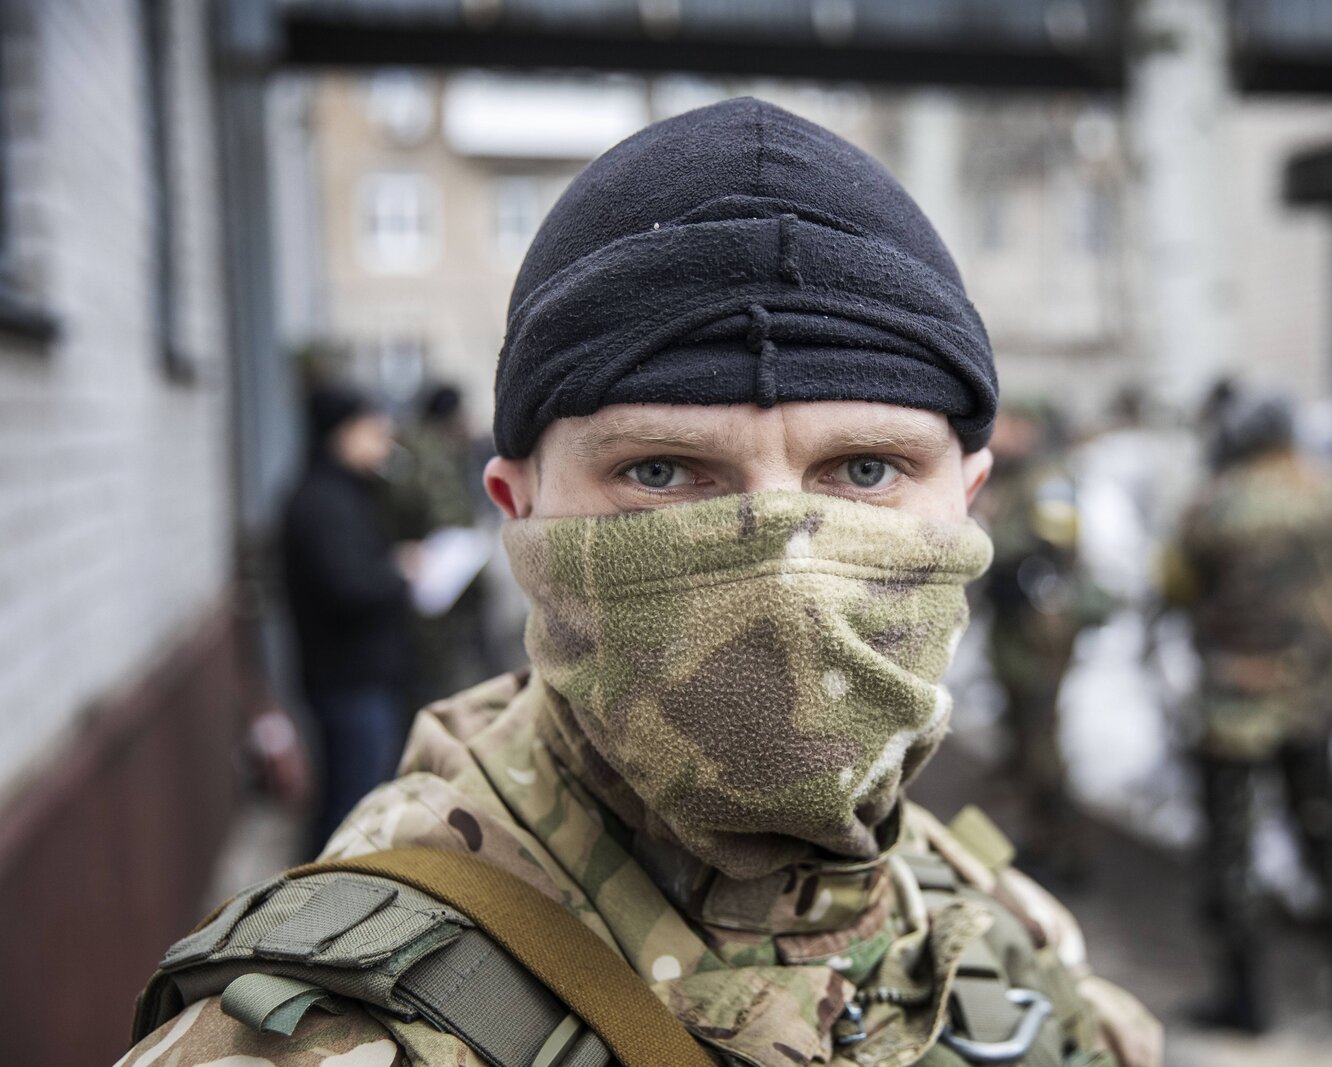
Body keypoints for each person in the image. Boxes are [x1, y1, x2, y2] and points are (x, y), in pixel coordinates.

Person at [124, 99, 1160, 1067]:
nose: (783, 565)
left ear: (968, 498)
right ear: (514, 505)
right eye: (660, 472)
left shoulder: (986, 922)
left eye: (864, 470)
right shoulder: (326, 1030)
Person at [1161, 381, 1332, 1034]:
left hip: (1235, 706)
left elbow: (1175, 584)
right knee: (1326, 836)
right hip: (1313, 697)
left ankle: (1247, 1001)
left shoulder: (1214, 505)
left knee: (1233, 852)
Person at [978, 404, 1110, 882]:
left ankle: (1065, 848)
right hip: (1016, 619)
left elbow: (1053, 538)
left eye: (1008, 426)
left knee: (1039, 736)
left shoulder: (1048, 478)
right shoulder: (1016, 477)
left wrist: (994, 543)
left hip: (1041, 623)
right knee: (1023, 733)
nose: (998, 436)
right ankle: (1041, 835)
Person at [282, 386, 417, 849]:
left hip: (360, 674)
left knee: (359, 795)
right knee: (351, 806)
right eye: (373, 431)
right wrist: (402, 574)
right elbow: (349, 586)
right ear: (342, 434)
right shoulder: (323, 503)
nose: (385, 442)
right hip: (348, 679)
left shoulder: (347, 493)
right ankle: (323, 898)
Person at [389, 383, 497, 700]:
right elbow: (446, 514)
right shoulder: (427, 452)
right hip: (440, 570)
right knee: (446, 663)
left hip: (453, 568)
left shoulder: (447, 448)